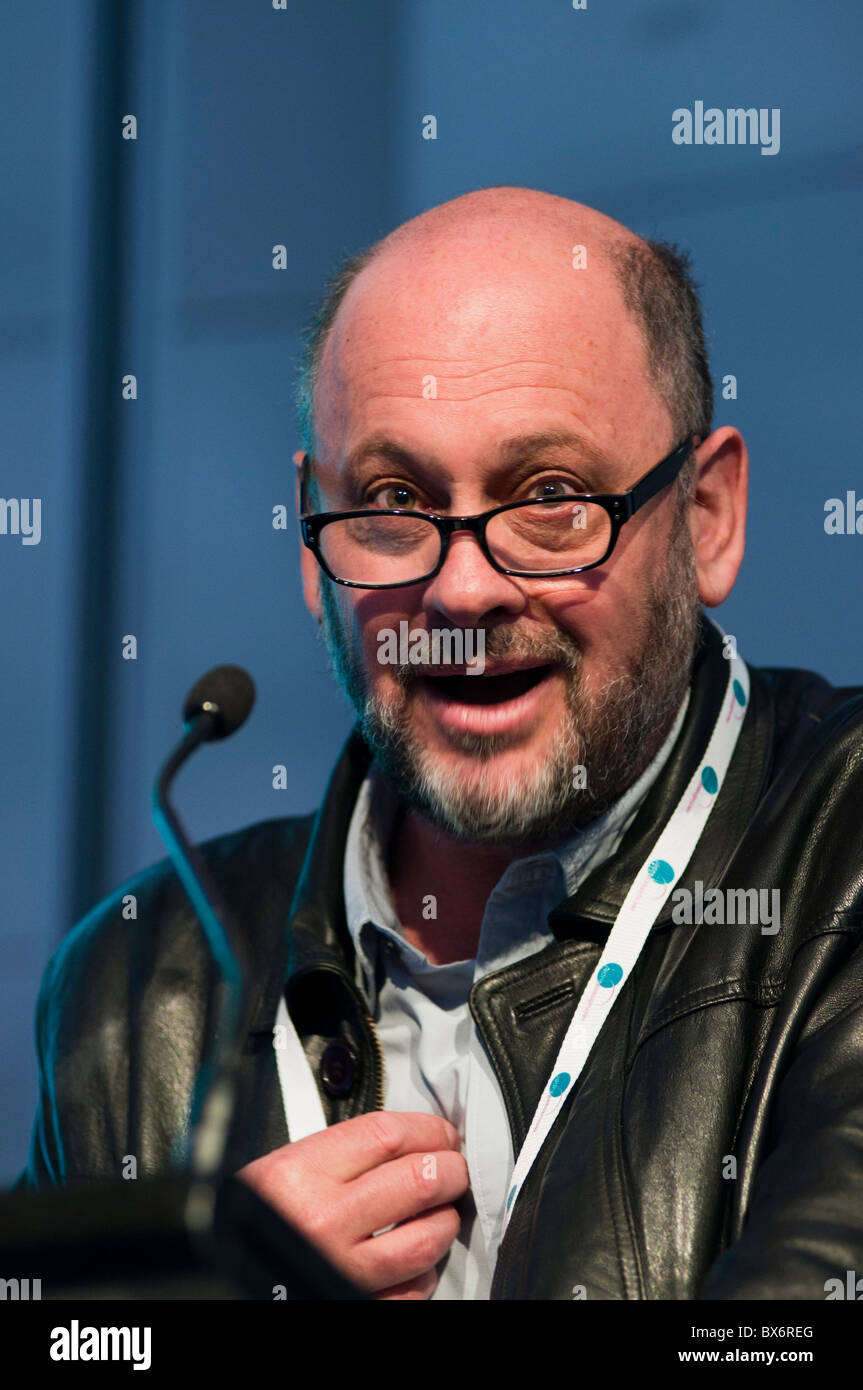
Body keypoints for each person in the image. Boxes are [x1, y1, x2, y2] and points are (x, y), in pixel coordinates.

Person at [22, 187, 863, 1301]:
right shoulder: (138, 985)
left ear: (705, 517)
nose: (459, 589)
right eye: (390, 499)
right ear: (314, 542)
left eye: (549, 497)